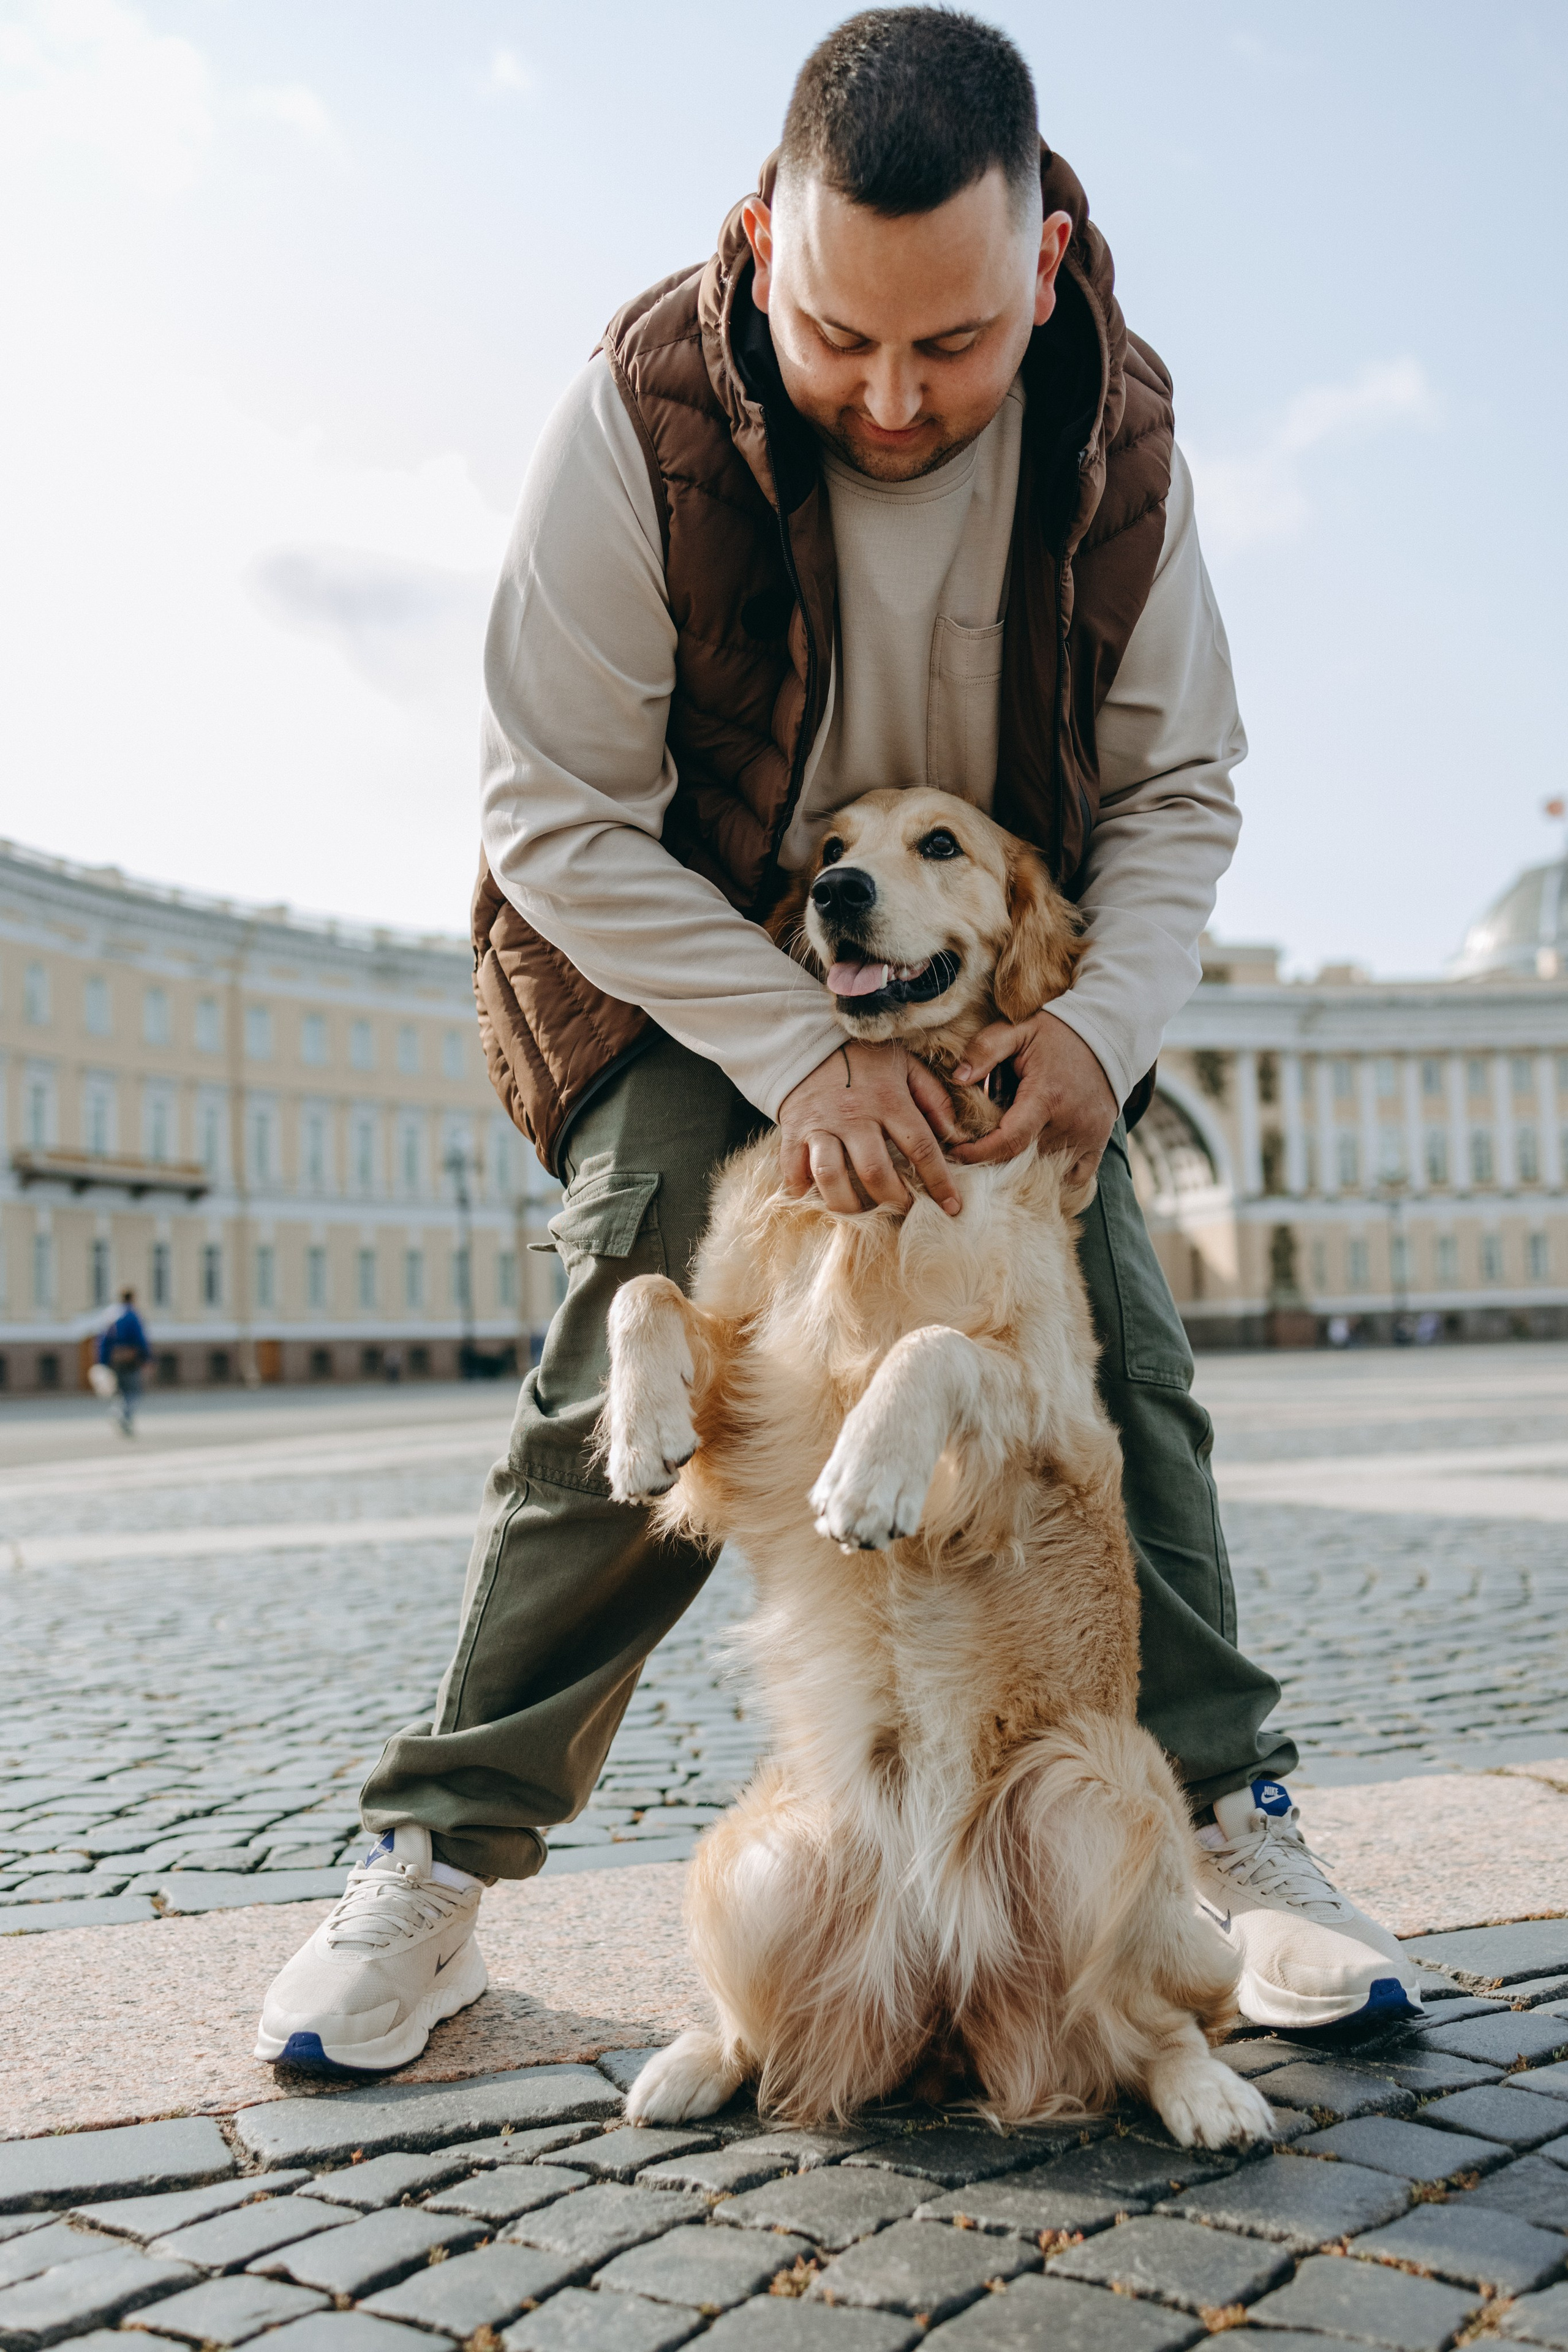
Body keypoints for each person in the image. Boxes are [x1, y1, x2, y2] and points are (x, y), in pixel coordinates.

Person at [257, 7, 1422, 2078]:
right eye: (839, 336)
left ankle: (1231, 1845)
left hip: (988, 967)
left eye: (951, 343)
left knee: (1118, 1352)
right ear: (757, 241)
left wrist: (1099, 1029)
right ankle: (439, 1866)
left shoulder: (1119, 442)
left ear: (1042, 269)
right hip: (700, 950)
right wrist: (805, 1055)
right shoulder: (633, 421)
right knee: (624, 1319)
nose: (892, 398)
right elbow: (547, 813)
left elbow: (1177, 794)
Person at [97, 1287, 150, 1438]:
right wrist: (147, 1358)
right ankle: (123, 1415)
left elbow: (103, 1340)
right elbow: (140, 1339)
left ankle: (119, 1412)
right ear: (132, 1298)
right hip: (130, 1358)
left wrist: (102, 1361)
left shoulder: (110, 1315)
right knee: (133, 1391)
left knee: (120, 1390)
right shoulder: (132, 1315)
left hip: (115, 1359)